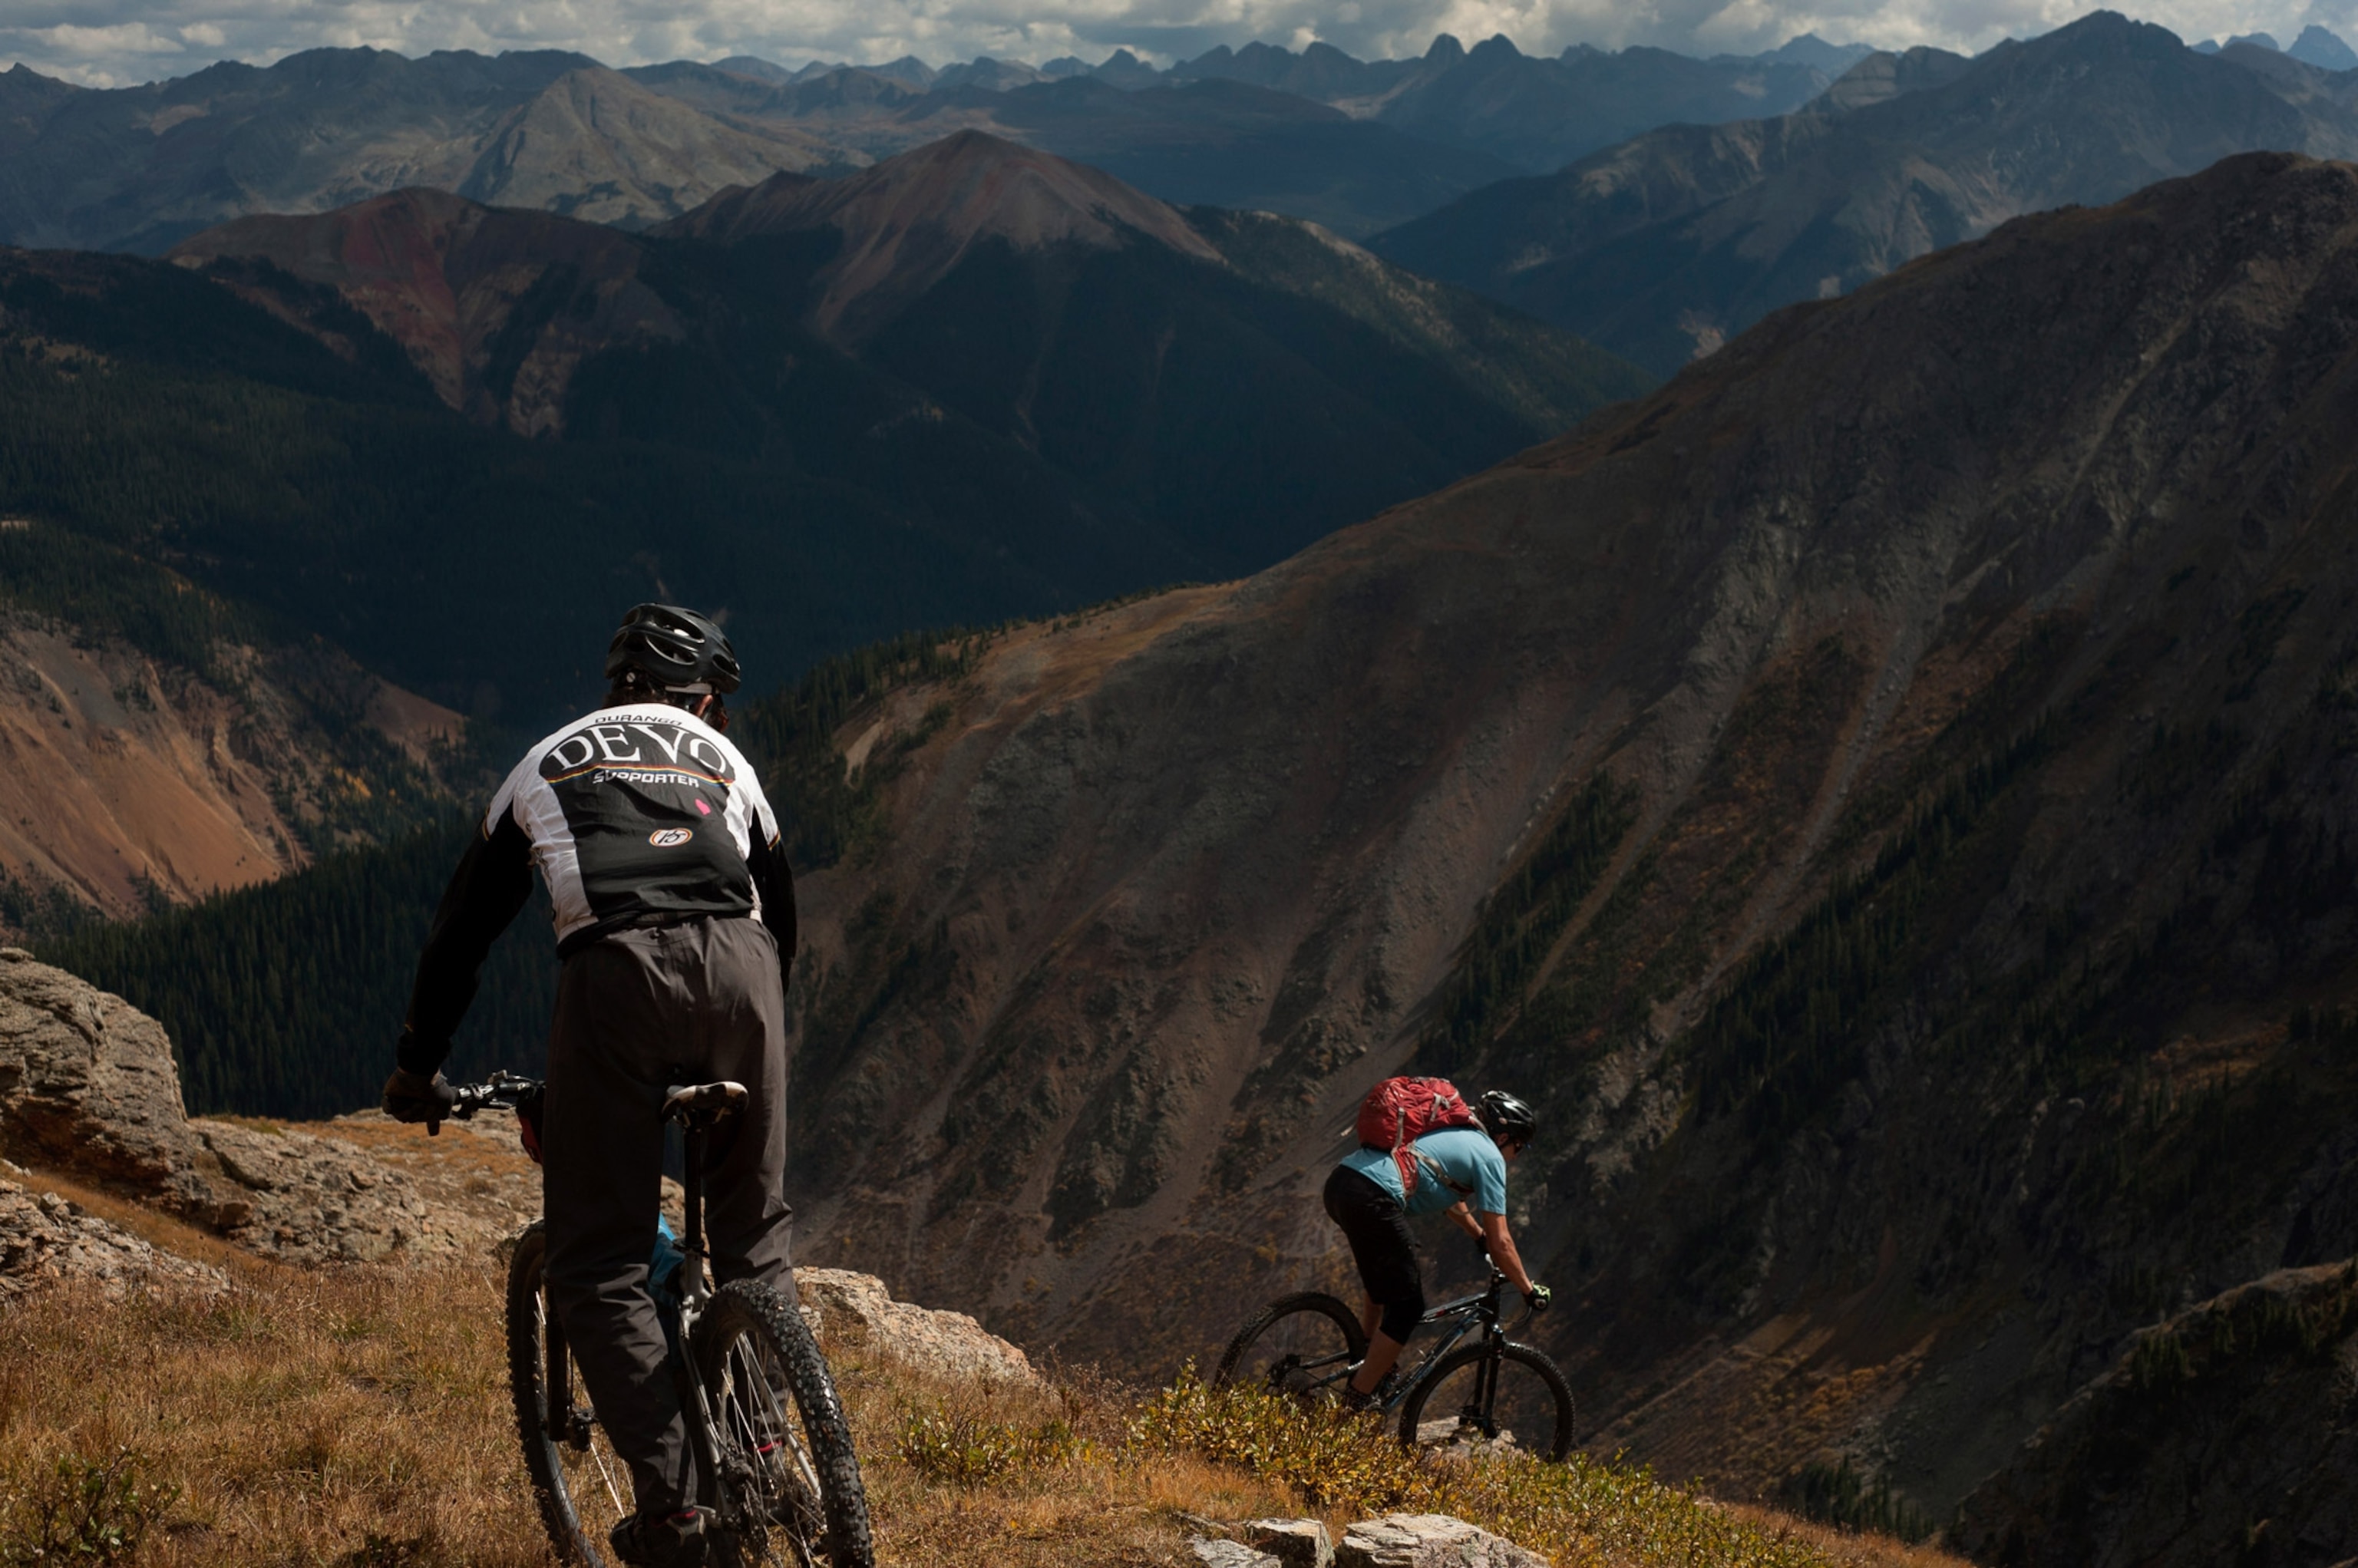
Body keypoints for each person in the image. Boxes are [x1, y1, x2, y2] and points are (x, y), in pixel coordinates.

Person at [381, 604, 796, 1568]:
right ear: (702, 701)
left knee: (599, 1262)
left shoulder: (547, 760)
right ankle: (772, 1447)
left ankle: (678, 1520)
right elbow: (782, 914)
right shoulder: (725, 761)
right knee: (753, 1240)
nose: (718, 721)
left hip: (617, 981)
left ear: (617, 690)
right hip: (747, 978)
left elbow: (461, 935)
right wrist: (758, 1033)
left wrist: (417, 1064)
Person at [1323, 1088, 1551, 1406]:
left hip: (1342, 1183)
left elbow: (1448, 1196)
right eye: (1520, 1147)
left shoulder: (1454, 1134)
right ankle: (1355, 1400)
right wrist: (1529, 1290)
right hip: (1373, 1197)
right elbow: (1501, 1241)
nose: (1517, 1155)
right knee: (1408, 1309)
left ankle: (1365, 1352)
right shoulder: (1489, 1157)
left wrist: (1476, 1235)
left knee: (1386, 1283)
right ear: (1503, 1138)